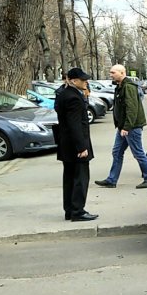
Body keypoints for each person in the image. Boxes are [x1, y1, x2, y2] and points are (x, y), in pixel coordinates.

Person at [94, 64, 147, 189]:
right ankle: (112, 180)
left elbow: (132, 109)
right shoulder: (120, 86)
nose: (111, 75)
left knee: (138, 153)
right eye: (110, 72)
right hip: (123, 126)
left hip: (131, 127)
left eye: (113, 72)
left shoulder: (128, 87)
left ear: (122, 73)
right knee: (117, 152)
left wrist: (126, 127)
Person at [55, 68, 98, 222]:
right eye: (83, 79)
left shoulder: (63, 94)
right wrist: (81, 147)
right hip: (75, 145)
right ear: (73, 81)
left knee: (69, 178)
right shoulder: (73, 97)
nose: (86, 82)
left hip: (66, 144)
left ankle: (70, 210)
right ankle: (78, 211)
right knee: (80, 178)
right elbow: (75, 124)